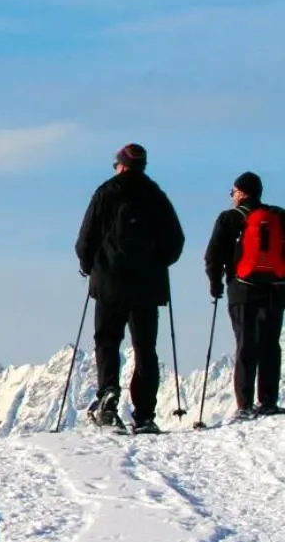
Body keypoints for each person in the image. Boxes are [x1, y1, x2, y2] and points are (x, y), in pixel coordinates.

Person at [75, 143, 185, 432]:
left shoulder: (105, 192)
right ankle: (145, 414)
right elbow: (176, 241)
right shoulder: (156, 195)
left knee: (107, 341)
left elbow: (86, 238)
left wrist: (89, 266)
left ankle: (108, 399)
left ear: (121, 165)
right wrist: (159, 262)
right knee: (145, 347)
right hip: (147, 285)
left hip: (109, 281)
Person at [203, 171, 285, 420]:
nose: (232, 196)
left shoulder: (230, 218)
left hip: (242, 290)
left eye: (233, 192)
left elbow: (213, 256)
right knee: (270, 344)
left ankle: (245, 405)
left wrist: (215, 284)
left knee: (245, 344)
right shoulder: (279, 216)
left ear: (241, 193)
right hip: (275, 288)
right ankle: (268, 401)